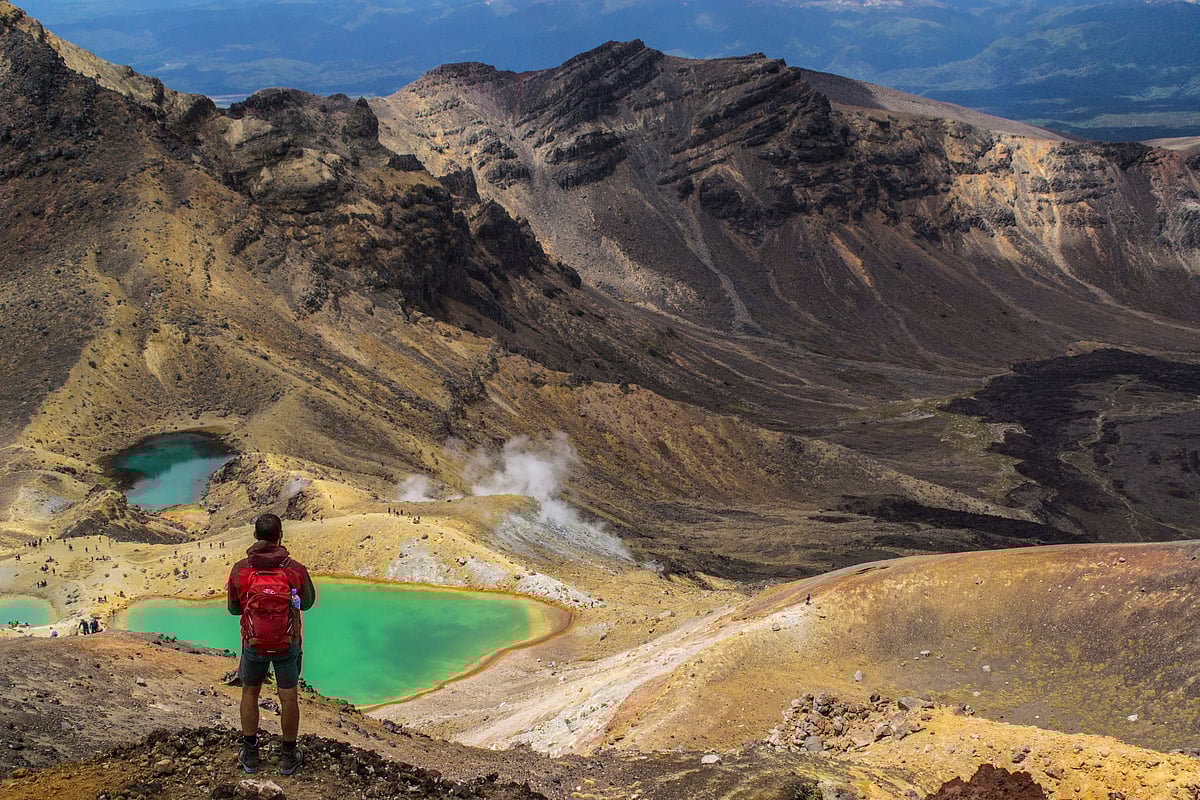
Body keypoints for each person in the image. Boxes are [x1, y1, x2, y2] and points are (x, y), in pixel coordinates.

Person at [226, 513, 316, 776]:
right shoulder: (294, 569)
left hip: (253, 644)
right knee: (288, 697)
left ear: (255, 536)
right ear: (280, 536)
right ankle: (288, 755)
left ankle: (251, 753)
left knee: (249, 693)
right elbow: (308, 604)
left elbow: (233, 609)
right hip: (287, 644)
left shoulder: (241, 569)